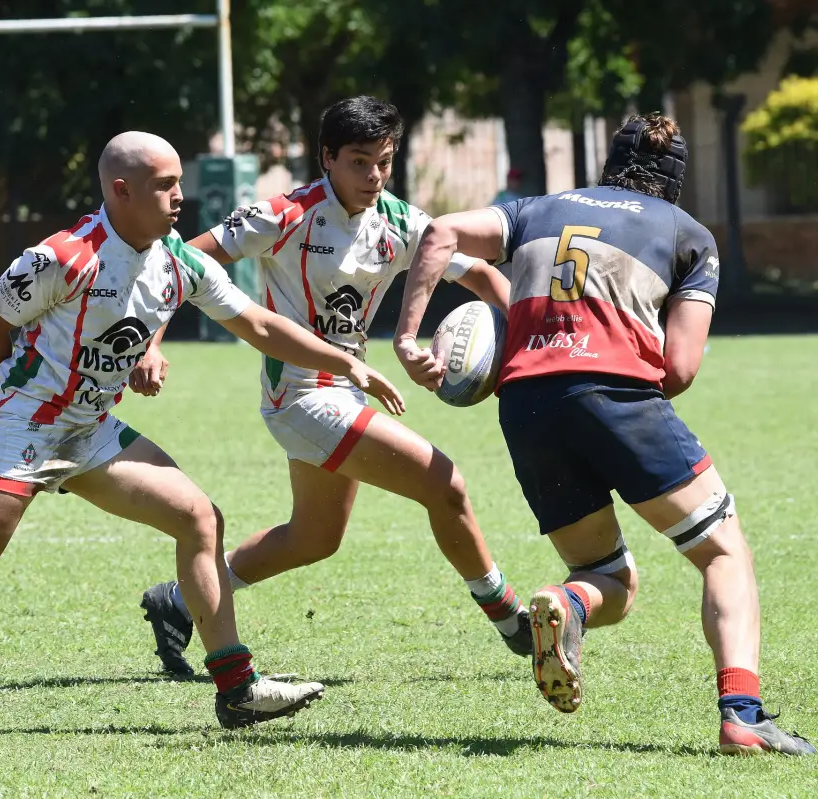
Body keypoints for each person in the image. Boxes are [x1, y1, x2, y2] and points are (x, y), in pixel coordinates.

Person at [0, 131, 409, 747]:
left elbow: (260, 324)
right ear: (121, 190)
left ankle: (236, 689)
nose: (180, 197)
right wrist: (4, 393)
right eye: (165, 186)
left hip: (92, 430)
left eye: (181, 183)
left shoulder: (177, 260)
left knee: (199, 518)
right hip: (24, 426)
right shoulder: (64, 257)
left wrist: (347, 362)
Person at [392, 113, 816, 756]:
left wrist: (406, 336)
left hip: (527, 406)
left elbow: (440, 230)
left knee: (603, 574)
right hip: (618, 401)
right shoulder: (687, 235)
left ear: (610, 166)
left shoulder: (536, 208)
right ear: (671, 182)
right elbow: (679, 368)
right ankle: (742, 715)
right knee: (724, 554)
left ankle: (567, 602)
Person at [138, 96, 532, 678]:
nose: (374, 176)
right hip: (297, 395)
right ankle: (510, 619)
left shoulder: (399, 221)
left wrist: (524, 339)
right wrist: (150, 341)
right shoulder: (285, 213)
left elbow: (478, 271)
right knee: (444, 483)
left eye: (384, 161)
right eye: (358, 161)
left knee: (315, 537)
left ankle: (176, 599)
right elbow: (180, 261)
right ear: (327, 157)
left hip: (346, 390)